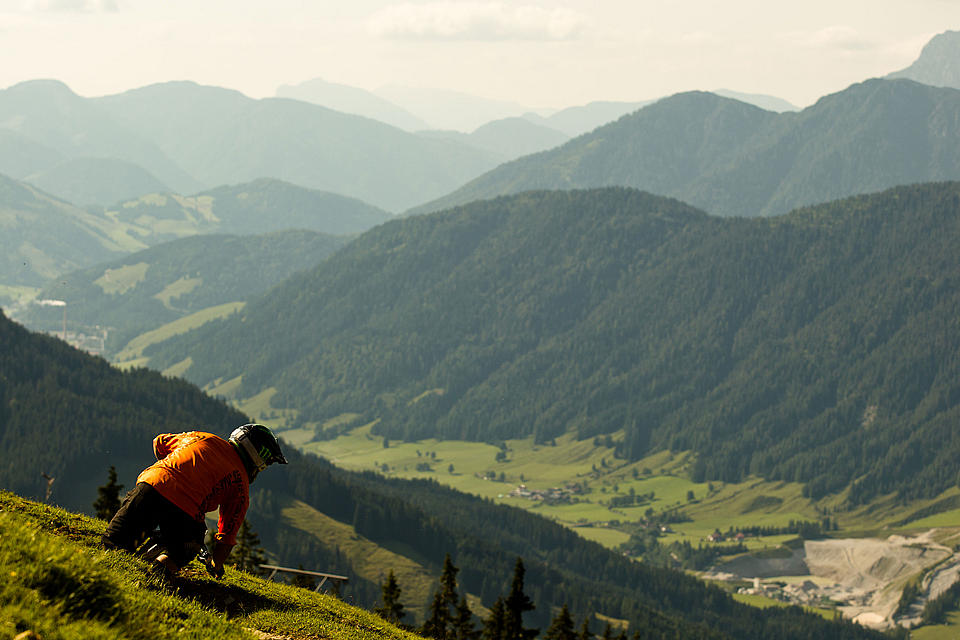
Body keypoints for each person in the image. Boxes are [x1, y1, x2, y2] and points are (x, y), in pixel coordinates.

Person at [102, 423, 287, 578]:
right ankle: (156, 574)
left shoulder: (202, 437)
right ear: (258, 458)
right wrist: (215, 564)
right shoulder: (241, 486)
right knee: (189, 544)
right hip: (185, 512)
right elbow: (227, 536)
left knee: (111, 547)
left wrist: (174, 473)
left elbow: (160, 442)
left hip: (150, 486)